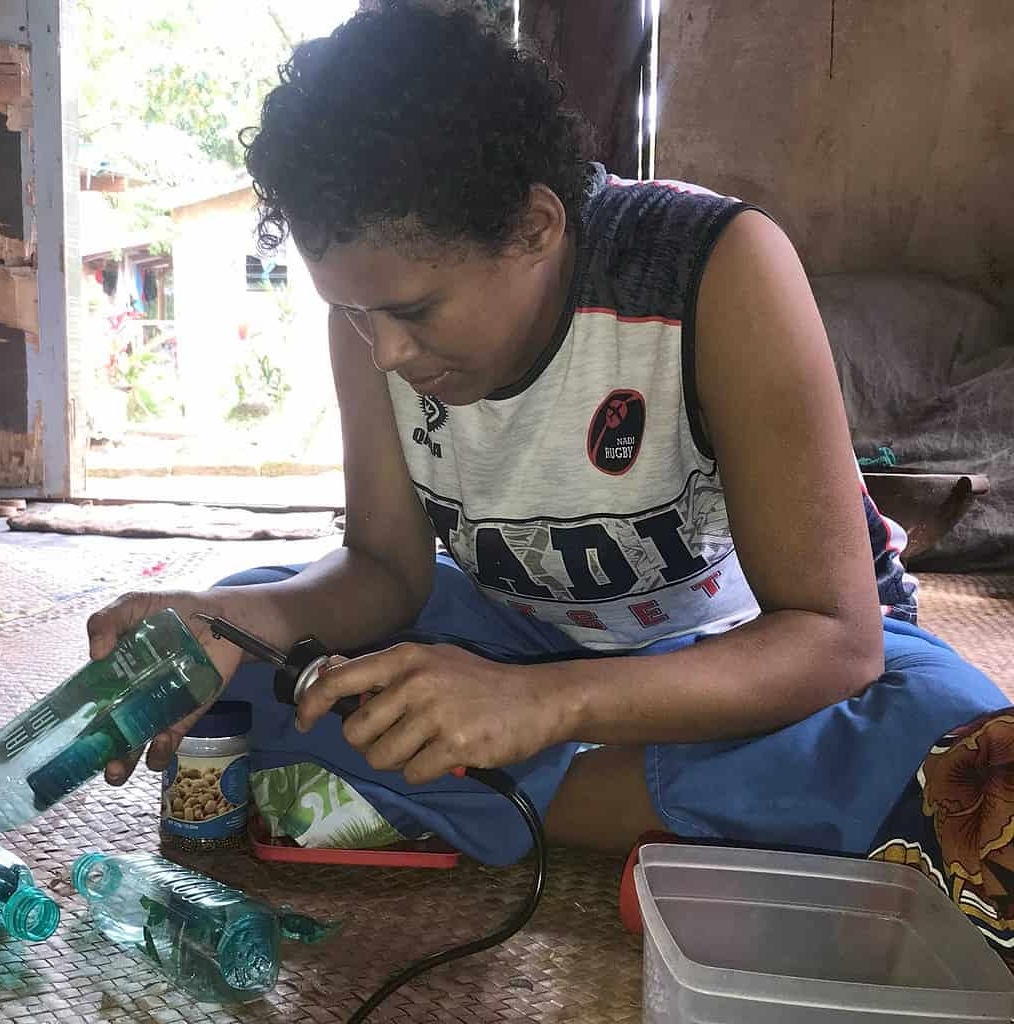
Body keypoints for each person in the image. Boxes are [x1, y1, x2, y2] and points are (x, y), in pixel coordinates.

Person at [88, 1, 1013, 961]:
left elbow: (834, 639)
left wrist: (541, 705)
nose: (387, 352)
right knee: (253, 640)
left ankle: (510, 784)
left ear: (535, 227)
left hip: (745, 658)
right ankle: (649, 799)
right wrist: (228, 625)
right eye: (355, 314)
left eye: (412, 311)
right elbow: (383, 572)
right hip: (522, 631)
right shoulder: (372, 316)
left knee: (959, 753)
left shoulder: (715, 271)